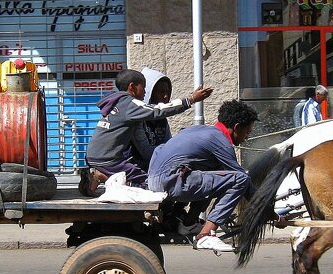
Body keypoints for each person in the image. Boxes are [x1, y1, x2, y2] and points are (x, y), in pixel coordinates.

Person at [147, 99, 259, 253]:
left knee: (217, 171)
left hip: (155, 180)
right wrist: (265, 208)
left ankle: (188, 223)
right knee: (241, 179)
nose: (247, 137)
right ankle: (205, 235)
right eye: (247, 132)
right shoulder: (220, 141)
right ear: (237, 127)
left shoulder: (199, 130)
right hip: (171, 181)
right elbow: (241, 180)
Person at [80, 68, 212, 196]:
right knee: (148, 183)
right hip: (109, 159)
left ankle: (97, 176)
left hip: (99, 156)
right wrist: (190, 100)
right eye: (143, 87)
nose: (144, 91)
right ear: (132, 87)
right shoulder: (131, 105)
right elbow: (158, 110)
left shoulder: (119, 103)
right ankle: (99, 175)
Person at [132, 68, 177, 170]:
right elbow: (146, 152)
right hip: (136, 170)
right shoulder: (138, 118)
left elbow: (168, 143)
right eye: (161, 92)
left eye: (167, 92)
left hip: (158, 166)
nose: (165, 96)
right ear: (149, 93)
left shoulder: (161, 120)